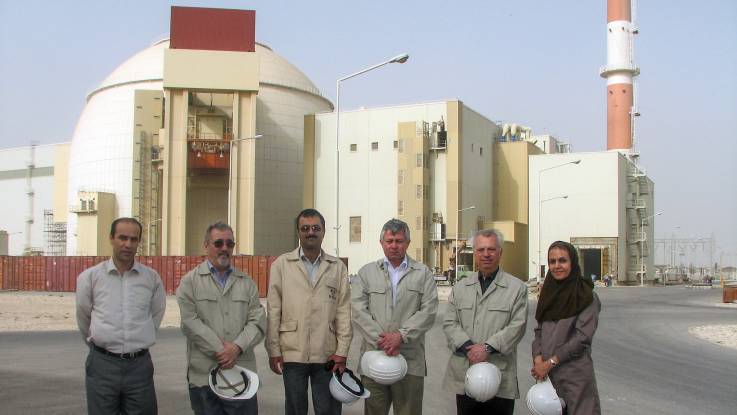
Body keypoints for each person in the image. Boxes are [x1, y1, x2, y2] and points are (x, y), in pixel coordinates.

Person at [265, 209, 352, 415]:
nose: (310, 232)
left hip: (327, 353)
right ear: (298, 232)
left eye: (316, 228)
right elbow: (273, 310)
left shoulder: (337, 267)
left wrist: (342, 351)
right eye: (305, 228)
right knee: (295, 409)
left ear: (323, 232)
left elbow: (344, 312)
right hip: (292, 351)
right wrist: (274, 350)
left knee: (328, 409)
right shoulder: (281, 265)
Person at [76, 217, 166, 415]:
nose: (128, 244)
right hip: (102, 366)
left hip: (139, 368)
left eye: (134, 239)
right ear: (111, 238)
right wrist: (101, 343)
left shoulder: (151, 279)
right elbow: (84, 318)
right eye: (122, 238)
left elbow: (156, 315)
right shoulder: (90, 278)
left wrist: (138, 339)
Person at [176, 222, 266, 415]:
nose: (224, 248)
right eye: (218, 243)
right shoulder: (190, 282)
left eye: (229, 243)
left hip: (241, 376)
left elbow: (258, 322)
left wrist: (237, 348)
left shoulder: (247, 283)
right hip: (204, 376)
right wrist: (222, 351)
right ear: (206, 245)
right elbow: (189, 323)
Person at [352, 218, 439, 415]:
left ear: (407, 243)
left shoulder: (422, 273)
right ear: (381, 242)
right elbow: (358, 310)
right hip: (374, 356)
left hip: (409, 359)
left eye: (399, 241)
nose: (394, 246)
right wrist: (382, 340)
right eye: (389, 241)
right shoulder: (367, 273)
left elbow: (429, 310)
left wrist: (401, 336)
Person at [442, 229, 528, 415]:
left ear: (500, 252)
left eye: (491, 249)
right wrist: (467, 347)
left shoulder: (516, 288)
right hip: (466, 372)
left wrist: (487, 348)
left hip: (500, 376)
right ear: (475, 252)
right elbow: (449, 322)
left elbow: (517, 326)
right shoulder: (461, 288)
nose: (486, 254)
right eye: (481, 250)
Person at [531, 241, 601, 415]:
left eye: (562, 260)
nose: (557, 266)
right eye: (552, 261)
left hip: (575, 377)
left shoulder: (586, 296)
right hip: (548, 378)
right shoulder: (548, 294)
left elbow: (582, 338)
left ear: (573, 262)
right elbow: (539, 330)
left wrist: (551, 362)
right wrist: (538, 358)